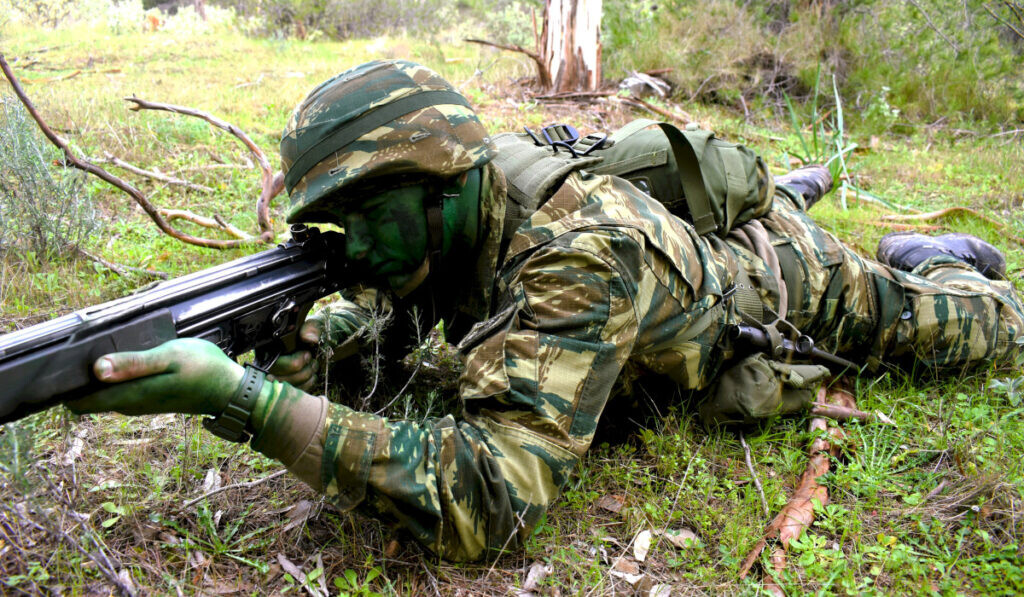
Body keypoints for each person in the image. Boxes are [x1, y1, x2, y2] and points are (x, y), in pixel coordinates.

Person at [67, 60, 1024, 561]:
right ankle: (818, 195)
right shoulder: (456, 215)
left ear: (438, 181)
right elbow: (402, 327)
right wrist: (312, 343)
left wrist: (255, 405)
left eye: (363, 217)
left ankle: (939, 258)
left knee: (971, 325)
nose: (348, 248)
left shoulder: (578, 253)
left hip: (776, 280)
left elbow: (492, 495)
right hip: (667, 258)